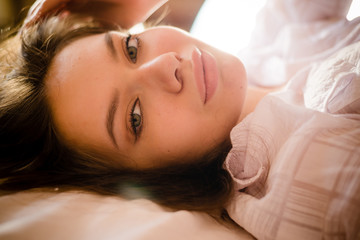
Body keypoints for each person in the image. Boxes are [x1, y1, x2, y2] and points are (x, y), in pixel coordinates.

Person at [1, 0, 359, 237]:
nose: (164, 65)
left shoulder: (267, 46)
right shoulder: (301, 164)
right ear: (158, 181)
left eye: (130, 48)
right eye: (135, 117)